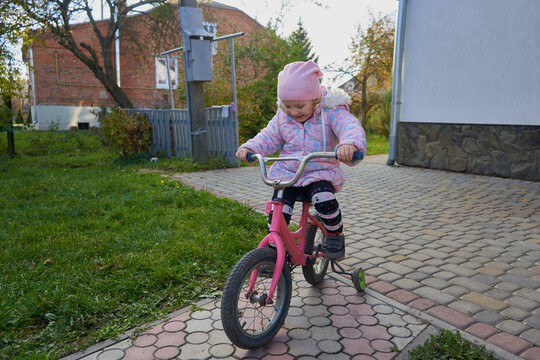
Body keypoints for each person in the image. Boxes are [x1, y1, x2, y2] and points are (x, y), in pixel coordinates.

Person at [236, 61, 367, 260]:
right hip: (288, 173)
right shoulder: (282, 117)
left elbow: (349, 126)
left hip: (319, 171)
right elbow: (269, 136)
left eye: (299, 106)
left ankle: (334, 234)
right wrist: (251, 148)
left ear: (315, 100)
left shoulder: (331, 112)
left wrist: (349, 144)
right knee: (278, 209)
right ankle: (272, 250)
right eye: (287, 106)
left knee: (324, 200)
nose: (293, 112)